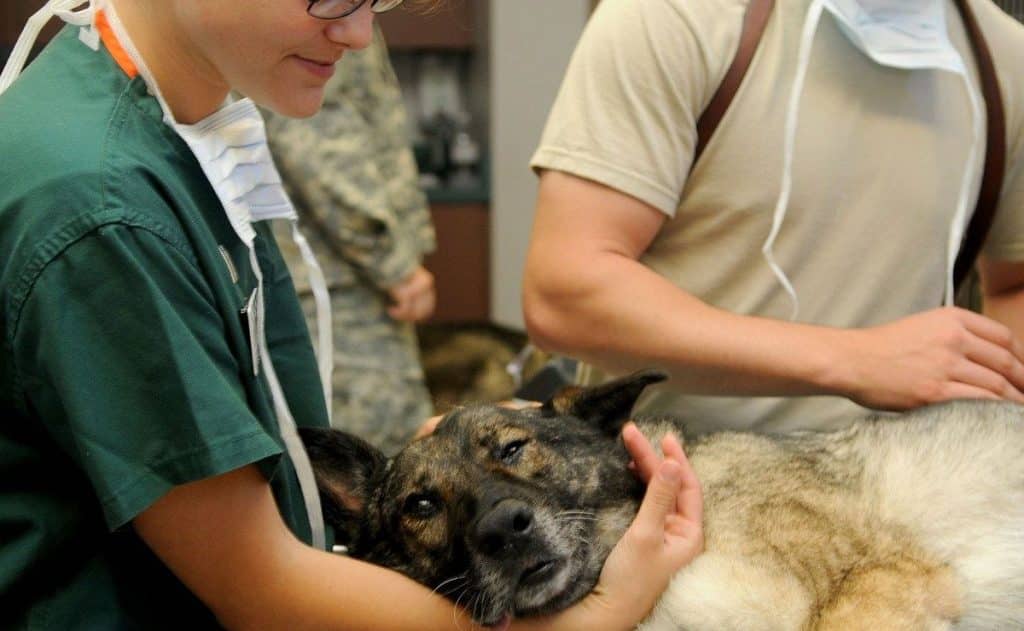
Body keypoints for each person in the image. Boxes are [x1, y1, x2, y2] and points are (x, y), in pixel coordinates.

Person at [0, 0, 703, 628]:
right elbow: (260, 585)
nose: (362, 34)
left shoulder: (182, 127)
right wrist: (595, 617)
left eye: (378, 0)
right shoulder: (100, 207)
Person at [525, 0, 1024, 435]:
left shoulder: (1006, 61)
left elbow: (1011, 285)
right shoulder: (677, 15)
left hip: (902, 492)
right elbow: (564, 293)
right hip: (673, 493)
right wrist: (854, 359)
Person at [265, 22, 437, 456]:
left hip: (331, 273)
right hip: (338, 282)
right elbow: (320, 146)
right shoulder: (327, 17)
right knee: (376, 467)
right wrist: (393, 265)